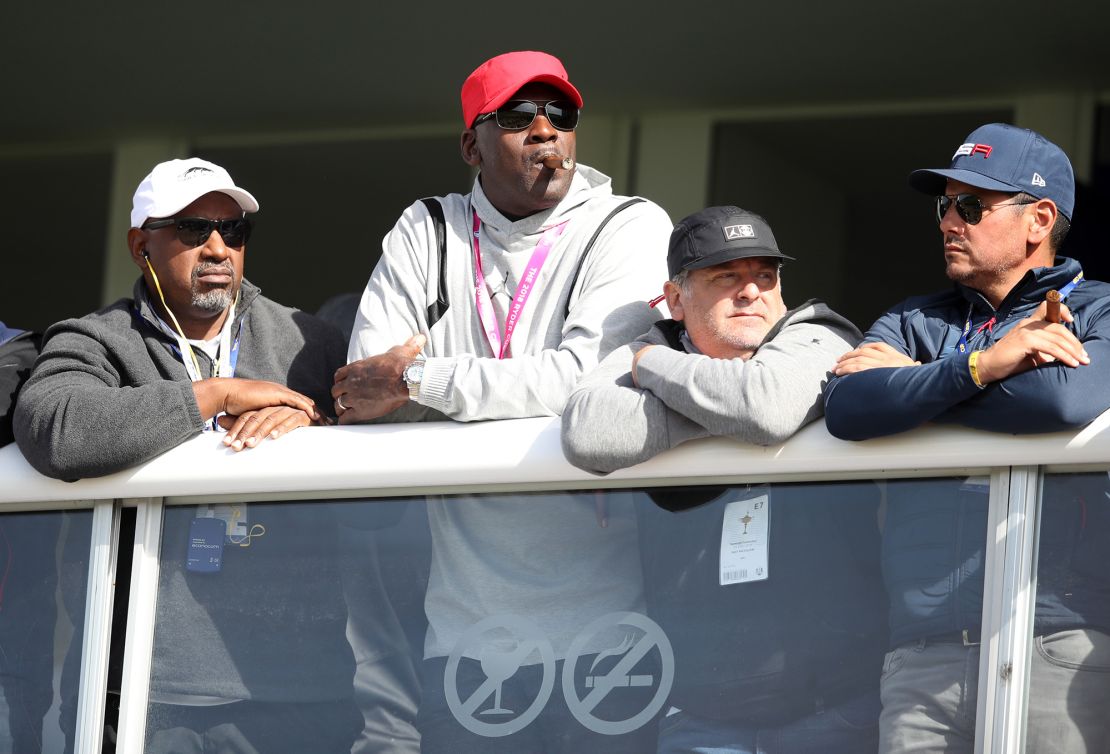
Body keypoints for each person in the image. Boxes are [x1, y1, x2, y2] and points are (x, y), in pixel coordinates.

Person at [335, 51, 672, 751]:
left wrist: (425, 381)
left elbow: (589, 383)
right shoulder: (426, 230)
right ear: (472, 145)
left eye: (561, 114)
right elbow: (366, 387)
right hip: (469, 635)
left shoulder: (628, 224)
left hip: (612, 633)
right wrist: (413, 388)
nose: (546, 130)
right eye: (519, 116)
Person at [14, 158, 359, 753]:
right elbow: (53, 428)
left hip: (302, 691)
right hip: (139, 693)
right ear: (140, 244)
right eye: (194, 229)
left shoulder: (310, 341)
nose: (218, 247)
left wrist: (317, 421)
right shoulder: (95, 338)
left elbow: (380, 489)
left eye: (234, 231)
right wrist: (212, 395)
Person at [824, 123, 1110, 753]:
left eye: (972, 206)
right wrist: (983, 366)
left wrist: (916, 395)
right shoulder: (914, 318)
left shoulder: (1095, 309)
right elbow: (846, 407)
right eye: (944, 205)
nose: (950, 221)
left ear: (1039, 219)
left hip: (1053, 640)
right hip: (922, 650)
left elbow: (1065, 400)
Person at [562, 206, 886, 753]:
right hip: (701, 716)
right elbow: (588, 433)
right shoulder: (649, 342)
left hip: (836, 709)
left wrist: (654, 374)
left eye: (765, 275)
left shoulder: (820, 333)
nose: (751, 292)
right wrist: (723, 407)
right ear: (675, 296)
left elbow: (768, 408)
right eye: (727, 277)